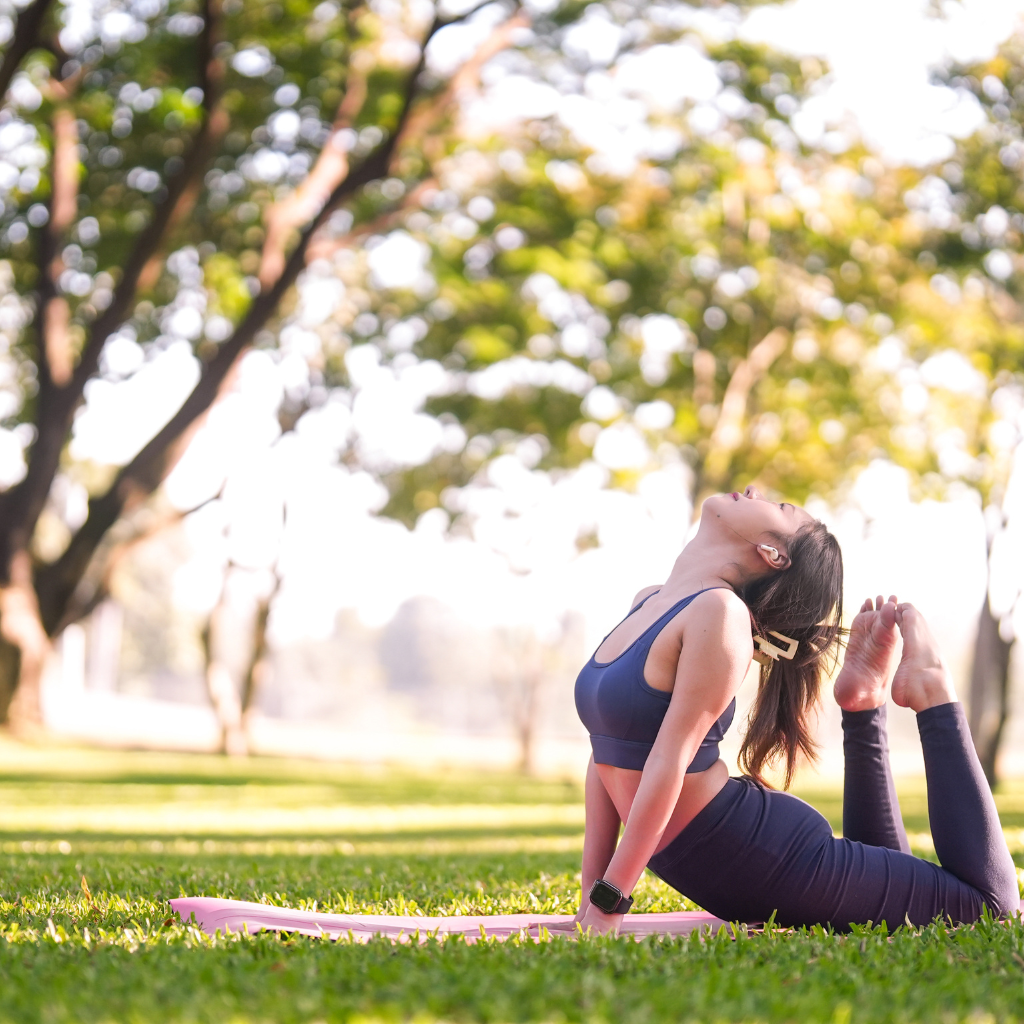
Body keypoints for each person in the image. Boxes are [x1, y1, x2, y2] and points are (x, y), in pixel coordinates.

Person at [573, 485, 1018, 934]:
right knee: (886, 877)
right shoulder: (649, 601)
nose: (754, 490)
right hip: (726, 865)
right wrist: (590, 899)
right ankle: (863, 706)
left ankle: (933, 690)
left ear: (774, 554)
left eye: (780, 507)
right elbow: (606, 754)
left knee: (989, 906)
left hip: (764, 856)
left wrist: (609, 906)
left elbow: (670, 761)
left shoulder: (720, 613)